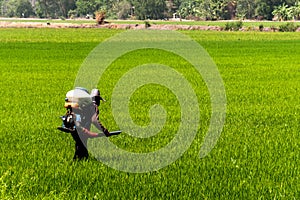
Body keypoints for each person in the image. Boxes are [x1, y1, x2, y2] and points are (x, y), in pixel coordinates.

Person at [70, 88, 110, 160]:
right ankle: (81, 159)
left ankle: (78, 160)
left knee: (79, 143)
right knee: (82, 144)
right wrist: (104, 130)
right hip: (82, 127)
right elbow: (94, 120)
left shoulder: (82, 104)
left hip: (74, 126)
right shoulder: (93, 106)